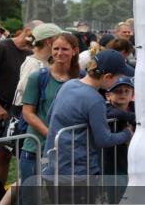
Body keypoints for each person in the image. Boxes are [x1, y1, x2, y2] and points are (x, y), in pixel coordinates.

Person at [42, 50, 134, 178]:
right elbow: (104, 139)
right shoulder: (95, 100)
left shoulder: (68, 85)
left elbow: (50, 116)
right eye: (118, 78)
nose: (119, 81)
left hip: (53, 166)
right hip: (79, 172)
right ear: (107, 77)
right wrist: (127, 133)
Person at [19, 32, 80, 183]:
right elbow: (27, 113)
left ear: (75, 50)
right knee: (30, 200)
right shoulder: (38, 77)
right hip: (36, 148)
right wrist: (52, 135)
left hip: (67, 152)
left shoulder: (81, 78)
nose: (59, 53)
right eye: (56, 48)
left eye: (65, 49)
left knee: (58, 200)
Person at [0, 21, 35, 185]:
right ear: (26, 31)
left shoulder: (29, 53)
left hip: (14, 112)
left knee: (5, 153)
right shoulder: (0, 47)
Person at [103, 76, 134, 176]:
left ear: (132, 94)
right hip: (112, 163)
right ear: (108, 95)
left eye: (127, 91)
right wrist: (136, 118)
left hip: (132, 161)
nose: (123, 94)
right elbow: (115, 113)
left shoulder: (135, 108)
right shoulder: (106, 108)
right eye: (118, 91)